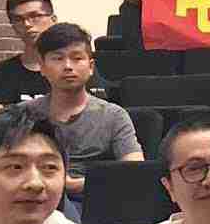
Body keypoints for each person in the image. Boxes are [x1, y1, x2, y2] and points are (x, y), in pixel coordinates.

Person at [25, 24, 143, 201]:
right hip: (35, 196)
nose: (67, 66)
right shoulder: (24, 114)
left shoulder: (114, 115)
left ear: (91, 67)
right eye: (58, 58)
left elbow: (134, 170)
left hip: (95, 200)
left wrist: (75, 184)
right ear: (42, 67)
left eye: (77, 58)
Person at [0, 0, 60, 111]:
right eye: (18, 19)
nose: (27, 24)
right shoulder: (1, 73)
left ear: (54, 20)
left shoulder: (77, 65)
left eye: (35, 16)